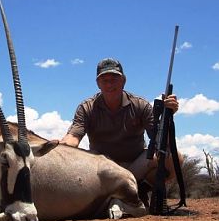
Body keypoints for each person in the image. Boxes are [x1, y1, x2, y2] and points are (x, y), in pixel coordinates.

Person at [60, 58, 182, 208]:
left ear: (123, 81)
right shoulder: (87, 107)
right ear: (98, 83)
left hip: (135, 166)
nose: (109, 84)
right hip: (102, 168)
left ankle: (136, 191)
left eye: (114, 79)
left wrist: (168, 116)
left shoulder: (140, 105)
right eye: (104, 80)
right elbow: (73, 136)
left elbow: (161, 142)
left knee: (174, 157)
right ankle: (122, 194)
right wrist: (60, 146)